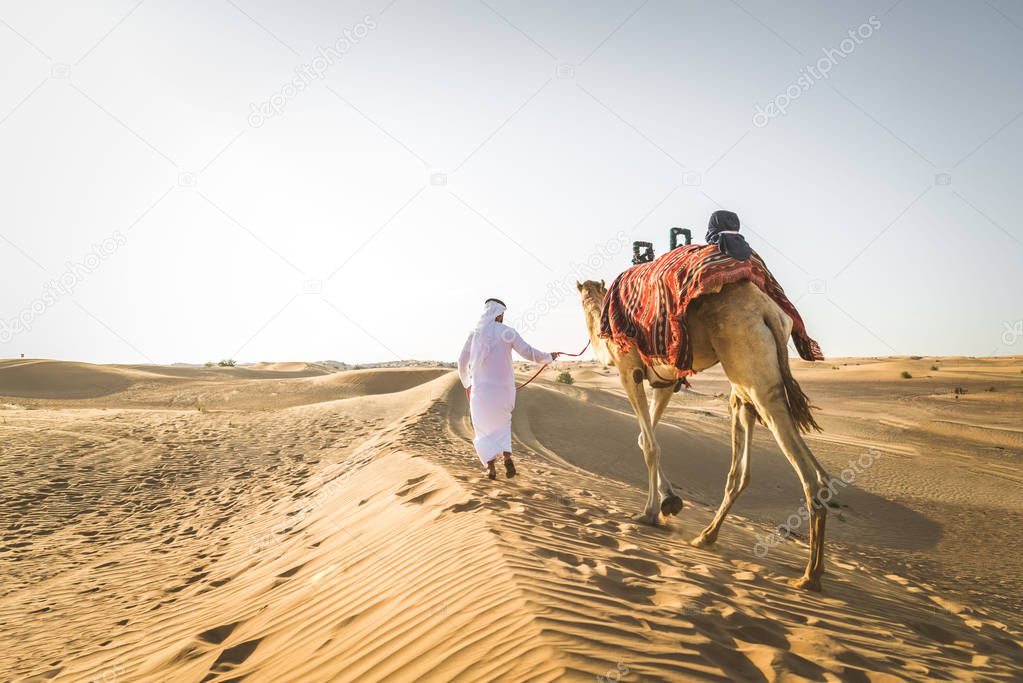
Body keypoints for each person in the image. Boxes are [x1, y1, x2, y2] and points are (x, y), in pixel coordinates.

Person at [458, 298, 559, 480]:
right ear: (499, 314)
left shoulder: (474, 335)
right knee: (503, 424)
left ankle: (491, 468)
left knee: (483, 430)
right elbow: (528, 352)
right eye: (502, 314)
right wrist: (548, 357)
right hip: (504, 392)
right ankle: (507, 457)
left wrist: (467, 383)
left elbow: (461, 362)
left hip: (481, 392)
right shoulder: (507, 332)